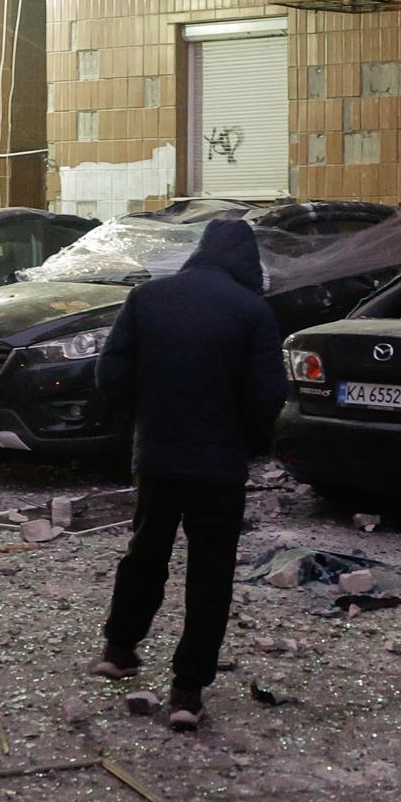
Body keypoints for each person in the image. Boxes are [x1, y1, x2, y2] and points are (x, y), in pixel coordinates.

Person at [90, 219, 288, 731]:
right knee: (210, 574)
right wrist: (246, 441)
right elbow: (267, 395)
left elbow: (110, 374)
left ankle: (118, 649)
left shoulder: (148, 298)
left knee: (145, 551)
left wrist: (141, 424)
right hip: (219, 466)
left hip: (156, 457)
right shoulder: (253, 312)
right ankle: (186, 692)